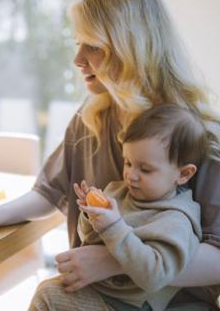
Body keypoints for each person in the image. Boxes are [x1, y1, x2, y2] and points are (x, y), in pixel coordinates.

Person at [0, 0, 220, 310]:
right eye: (77, 43)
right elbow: (49, 193)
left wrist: (114, 259)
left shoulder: (204, 136)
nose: (77, 59)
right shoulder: (91, 119)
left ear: (131, 48)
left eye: (92, 46)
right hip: (98, 296)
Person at [39, 104, 207, 311]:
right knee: (50, 288)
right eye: (128, 163)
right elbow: (90, 239)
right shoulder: (119, 192)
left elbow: (155, 276)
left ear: (183, 174)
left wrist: (113, 226)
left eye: (145, 169)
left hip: (127, 305)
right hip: (98, 290)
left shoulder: (176, 220)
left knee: (47, 296)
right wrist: (91, 216)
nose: (131, 175)